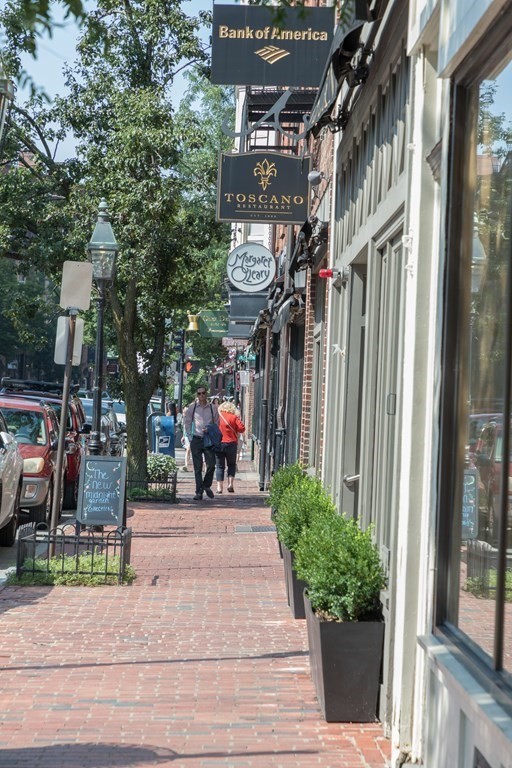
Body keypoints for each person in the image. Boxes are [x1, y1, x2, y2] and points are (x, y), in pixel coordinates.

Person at [184, 386, 219, 500]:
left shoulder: (212, 408)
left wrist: (210, 429)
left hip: (208, 440)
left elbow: (217, 424)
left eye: (203, 393)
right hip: (197, 439)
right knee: (197, 467)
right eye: (199, 394)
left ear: (206, 394)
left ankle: (206, 485)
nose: (201, 395)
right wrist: (190, 436)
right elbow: (187, 423)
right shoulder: (192, 408)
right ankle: (199, 492)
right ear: (197, 395)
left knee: (211, 464)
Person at [215, 400, 245, 494]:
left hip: (219, 443)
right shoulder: (234, 417)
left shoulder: (217, 417)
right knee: (231, 465)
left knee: (220, 466)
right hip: (231, 444)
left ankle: (219, 488)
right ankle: (230, 484)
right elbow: (242, 429)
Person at [180, 406, 191, 471]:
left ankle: (188, 464)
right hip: (187, 435)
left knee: (190, 450)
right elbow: (184, 427)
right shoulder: (184, 418)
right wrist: (183, 436)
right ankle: (186, 464)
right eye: (184, 412)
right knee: (188, 449)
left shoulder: (192, 418)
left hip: (193, 434)